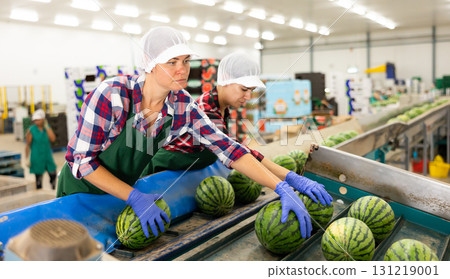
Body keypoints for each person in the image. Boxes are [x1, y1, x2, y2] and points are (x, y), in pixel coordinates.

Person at [57, 26, 316, 240]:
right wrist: (134, 196)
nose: (182, 69)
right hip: (79, 193)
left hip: (124, 192)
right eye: (172, 62)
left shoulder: (181, 105)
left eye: (185, 61)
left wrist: (282, 185)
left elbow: (228, 148)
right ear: (150, 65)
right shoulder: (112, 95)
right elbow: (81, 162)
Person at [160, 51, 333, 210]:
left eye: (251, 90)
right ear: (225, 79)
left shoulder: (220, 106)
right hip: (162, 180)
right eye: (244, 89)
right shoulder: (204, 108)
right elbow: (233, 151)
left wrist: (287, 177)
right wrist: (284, 181)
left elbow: (237, 148)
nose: (248, 97)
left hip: (187, 176)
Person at [25, 109, 57, 190]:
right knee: (38, 179)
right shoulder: (31, 130)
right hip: (37, 157)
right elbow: (28, 145)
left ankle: (52, 190)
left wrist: (47, 127)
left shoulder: (47, 128)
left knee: (53, 173)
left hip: (47, 156)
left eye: (38, 120)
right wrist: (27, 158)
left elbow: (53, 139)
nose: (36, 122)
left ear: (43, 119)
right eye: (35, 120)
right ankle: (40, 194)